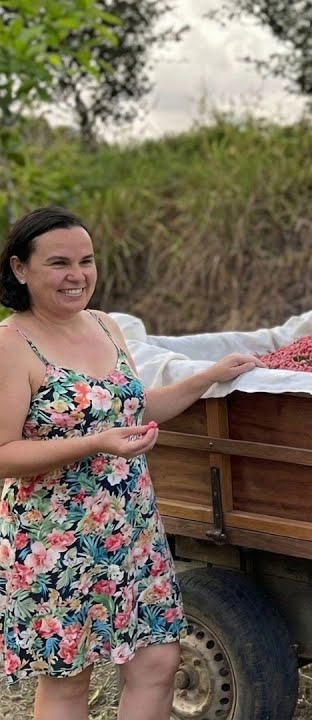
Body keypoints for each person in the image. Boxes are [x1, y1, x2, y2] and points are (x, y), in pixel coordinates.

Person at [0, 207, 263, 719]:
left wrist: (207, 377)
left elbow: (132, 410)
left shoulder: (105, 325)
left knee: (159, 662)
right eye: (58, 263)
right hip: (56, 540)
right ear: (19, 268)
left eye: (86, 261)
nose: (77, 275)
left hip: (132, 529)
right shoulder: (11, 345)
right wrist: (95, 444)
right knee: (68, 680)